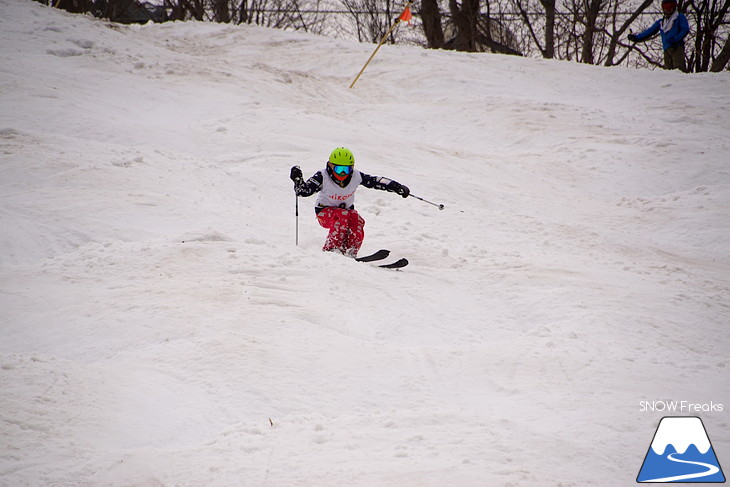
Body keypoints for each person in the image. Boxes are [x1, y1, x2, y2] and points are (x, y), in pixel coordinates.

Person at [290, 147, 410, 258]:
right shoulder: (322, 176)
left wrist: (396, 187)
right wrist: (298, 180)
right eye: (339, 169)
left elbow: (376, 181)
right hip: (324, 213)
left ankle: (350, 251)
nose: (342, 173)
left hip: (346, 212)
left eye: (346, 169)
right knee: (342, 215)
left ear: (352, 167)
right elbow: (304, 191)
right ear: (330, 166)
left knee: (357, 220)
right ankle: (331, 250)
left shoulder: (356, 176)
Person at [628, 0, 690, 71]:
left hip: (677, 47)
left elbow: (685, 29)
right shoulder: (662, 22)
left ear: (674, 7)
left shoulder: (679, 17)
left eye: (670, 6)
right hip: (666, 50)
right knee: (668, 71)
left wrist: (676, 39)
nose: (668, 9)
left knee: (679, 69)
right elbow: (650, 31)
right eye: (665, 7)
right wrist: (636, 37)